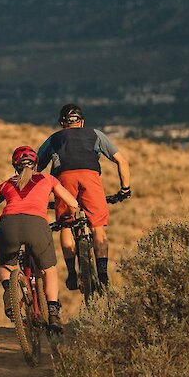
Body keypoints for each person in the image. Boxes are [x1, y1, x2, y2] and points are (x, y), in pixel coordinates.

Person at [0, 144, 80, 333]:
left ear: (15, 165)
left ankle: (10, 292)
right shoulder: (48, 179)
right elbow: (72, 203)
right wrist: (66, 218)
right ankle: (53, 314)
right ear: (36, 164)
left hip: (8, 226)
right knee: (49, 270)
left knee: (5, 266)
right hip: (37, 225)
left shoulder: (6, 184)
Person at [36, 103, 130, 291]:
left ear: (62, 123)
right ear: (82, 122)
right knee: (98, 226)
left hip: (63, 179)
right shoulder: (95, 134)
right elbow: (122, 161)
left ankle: (71, 273)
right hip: (90, 177)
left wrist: (38, 197)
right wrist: (125, 189)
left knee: (66, 224)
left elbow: (36, 168)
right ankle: (103, 274)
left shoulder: (54, 139)